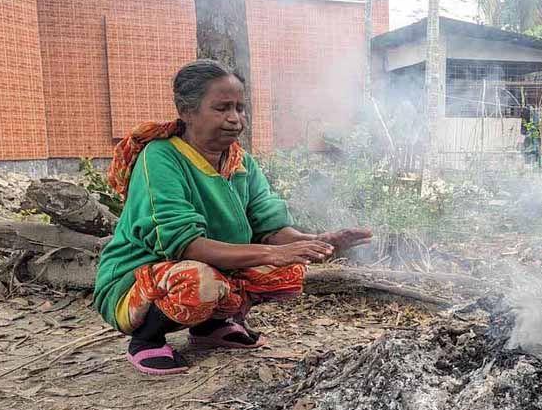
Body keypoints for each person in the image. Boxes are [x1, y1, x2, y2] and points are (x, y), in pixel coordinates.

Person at [94, 59, 372, 375]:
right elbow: (183, 244)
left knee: (287, 270)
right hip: (135, 280)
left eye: (240, 108)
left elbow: (270, 226)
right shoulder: (160, 158)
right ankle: (146, 339)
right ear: (187, 111)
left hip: (206, 267)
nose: (235, 119)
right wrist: (274, 253)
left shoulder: (241, 162)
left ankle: (211, 327)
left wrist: (316, 242)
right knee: (198, 281)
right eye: (222, 108)